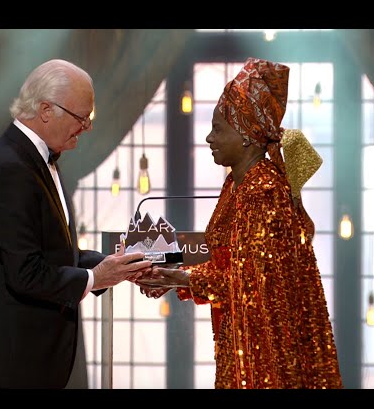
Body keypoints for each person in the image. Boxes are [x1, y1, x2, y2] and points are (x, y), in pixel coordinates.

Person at [137, 57, 343, 389]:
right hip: (240, 339)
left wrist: (177, 277)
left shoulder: (261, 191)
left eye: (218, 128)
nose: (209, 138)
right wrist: (176, 278)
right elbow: (236, 272)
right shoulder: (239, 184)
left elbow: (246, 285)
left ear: (247, 133)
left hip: (262, 350)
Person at [0, 59, 152, 389]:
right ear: (46, 109)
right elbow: (26, 274)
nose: (88, 127)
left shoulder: (34, 158)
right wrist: (96, 276)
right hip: (9, 369)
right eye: (81, 117)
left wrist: (116, 266)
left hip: (28, 366)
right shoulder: (11, 169)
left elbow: (56, 254)